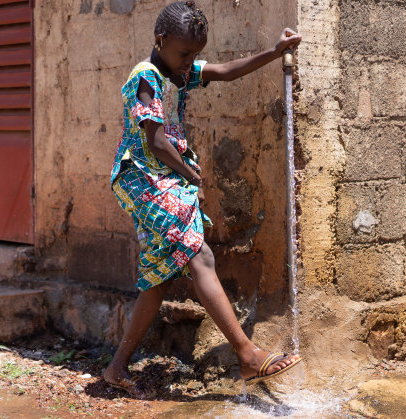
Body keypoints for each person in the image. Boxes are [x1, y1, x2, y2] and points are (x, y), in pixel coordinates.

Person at [104, 1, 302, 398]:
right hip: (142, 178)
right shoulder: (146, 76)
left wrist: (275, 51)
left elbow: (226, 72)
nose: (190, 62)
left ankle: (115, 369)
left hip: (165, 177)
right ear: (161, 41)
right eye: (184, 54)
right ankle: (247, 355)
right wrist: (189, 172)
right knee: (200, 256)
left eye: (194, 54)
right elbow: (155, 141)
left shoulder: (176, 71)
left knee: (159, 278)